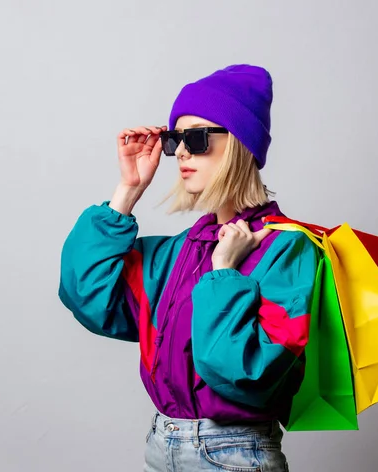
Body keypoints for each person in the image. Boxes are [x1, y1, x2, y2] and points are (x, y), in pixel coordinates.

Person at [59, 64, 318, 472]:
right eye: (174, 139)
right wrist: (127, 192)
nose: (180, 151)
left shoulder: (285, 249)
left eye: (196, 139)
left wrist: (223, 275)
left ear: (238, 143)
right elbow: (90, 299)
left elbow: (244, 374)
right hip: (162, 446)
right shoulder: (181, 251)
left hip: (235, 454)